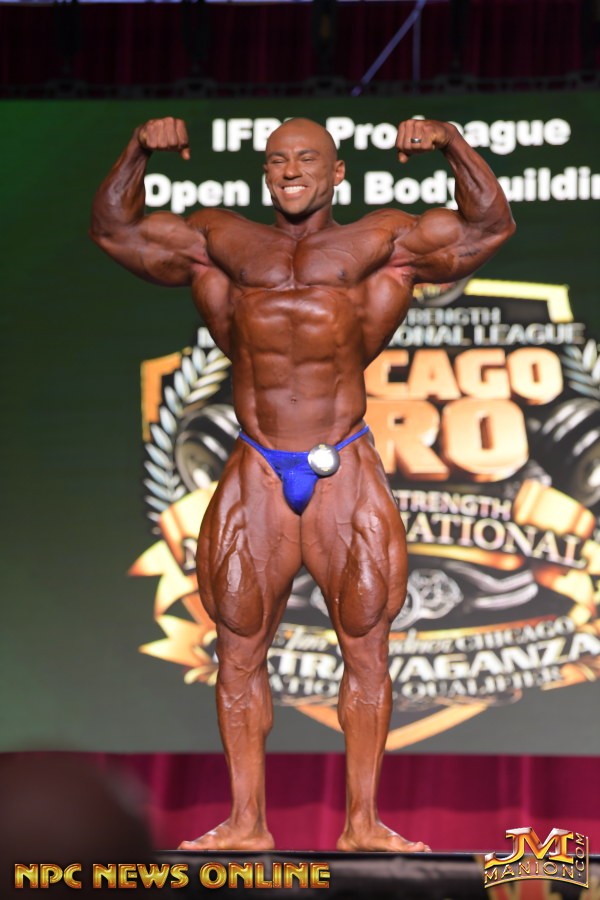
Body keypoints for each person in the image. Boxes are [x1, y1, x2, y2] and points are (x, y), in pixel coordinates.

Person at [91, 115, 515, 852]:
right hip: (257, 464)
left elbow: (488, 228)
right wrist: (136, 149)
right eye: (278, 160)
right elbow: (114, 231)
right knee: (238, 651)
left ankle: (363, 823)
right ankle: (246, 822)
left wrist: (451, 142)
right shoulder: (221, 240)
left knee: (367, 647)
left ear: (337, 172)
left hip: (341, 461)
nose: (291, 170)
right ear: (265, 172)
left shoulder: (382, 241)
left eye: (307, 159)